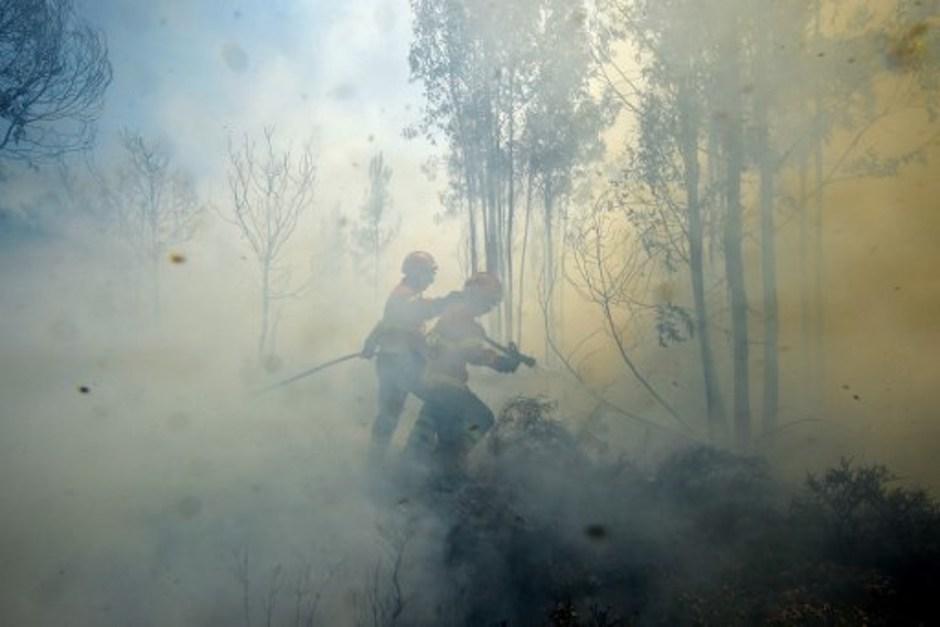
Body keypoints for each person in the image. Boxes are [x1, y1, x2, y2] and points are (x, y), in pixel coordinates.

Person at [404, 272, 522, 483]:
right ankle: (450, 464)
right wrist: (504, 363)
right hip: (449, 388)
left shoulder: (450, 316)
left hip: (434, 385)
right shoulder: (465, 322)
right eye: (489, 303)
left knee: (431, 433)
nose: (488, 309)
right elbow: (475, 353)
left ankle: (419, 473)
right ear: (478, 298)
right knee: (482, 417)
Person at [361, 251, 459, 467]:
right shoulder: (406, 295)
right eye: (428, 274)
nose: (431, 279)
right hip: (400, 364)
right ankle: (415, 458)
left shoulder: (402, 293)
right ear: (417, 273)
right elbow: (421, 313)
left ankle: (376, 463)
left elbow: (386, 322)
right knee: (438, 402)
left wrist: (370, 343)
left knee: (389, 414)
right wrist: (449, 301)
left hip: (393, 362)